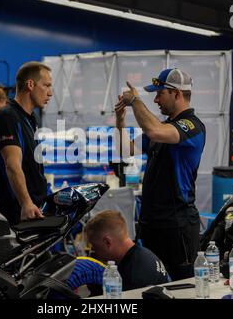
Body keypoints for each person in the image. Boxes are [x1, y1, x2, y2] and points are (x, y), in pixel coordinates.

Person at [114, 68, 206, 281]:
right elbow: (124, 150)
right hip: (151, 224)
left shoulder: (192, 126)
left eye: (159, 93)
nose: (155, 99)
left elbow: (154, 131)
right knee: (146, 285)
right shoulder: (164, 127)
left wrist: (136, 100)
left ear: (177, 94)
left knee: (181, 290)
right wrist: (120, 120)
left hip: (176, 226)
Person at [0, 61, 52, 224]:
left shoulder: (31, 118)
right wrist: (26, 203)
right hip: (19, 212)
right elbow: (12, 165)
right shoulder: (8, 117)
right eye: (46, 85)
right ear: (30, 85)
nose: (50, 93)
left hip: (35, 207)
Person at [84, 210, 168, 291]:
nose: (93, 251)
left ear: (107, 242)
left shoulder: (134, 277)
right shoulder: (141, 253)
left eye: (94, 246)